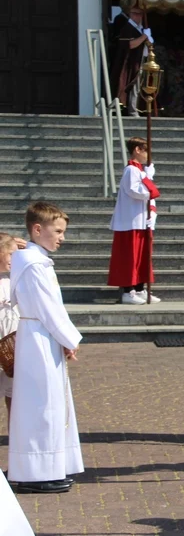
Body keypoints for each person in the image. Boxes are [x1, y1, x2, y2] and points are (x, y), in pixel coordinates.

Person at [8, 202, 83, 494]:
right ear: (37, 229)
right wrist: (69, 339)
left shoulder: (33, 260)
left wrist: (63, 339)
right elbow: (49, 308)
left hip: (41, 335)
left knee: (49, 404)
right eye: (58, 231)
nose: (62, 237)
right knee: (42, 405)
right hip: (39, 336)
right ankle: (34, 472)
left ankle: (47, 467)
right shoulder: (33, 264)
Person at [107, 137, 161, 305]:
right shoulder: (131, 170)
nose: (149, 156)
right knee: (130, 257)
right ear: (137, 150)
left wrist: (146, 177)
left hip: (140, 221)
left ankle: (139, 288)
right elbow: (136, 191)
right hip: (130, 222)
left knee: (141, 257)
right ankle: (128, 290)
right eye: (146, 151)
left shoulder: (139, 171)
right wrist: (148, 180)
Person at [110, 7, 152, 117]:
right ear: (130, 14)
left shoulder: (140, 28)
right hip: (130, 62)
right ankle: (132, 110)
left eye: (140, 14)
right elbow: (131, 44)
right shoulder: (127, 28)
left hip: (141, 60)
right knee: (133, 84)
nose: (138, 17)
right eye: (135, 14)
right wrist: (144, 36)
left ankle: (136, 108)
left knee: (139, 86)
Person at [0, 234, 20, 428]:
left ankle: (15, 434)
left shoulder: (15, 278)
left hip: (12, 344)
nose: (15, 260)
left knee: (14, 394)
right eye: (11, 255)